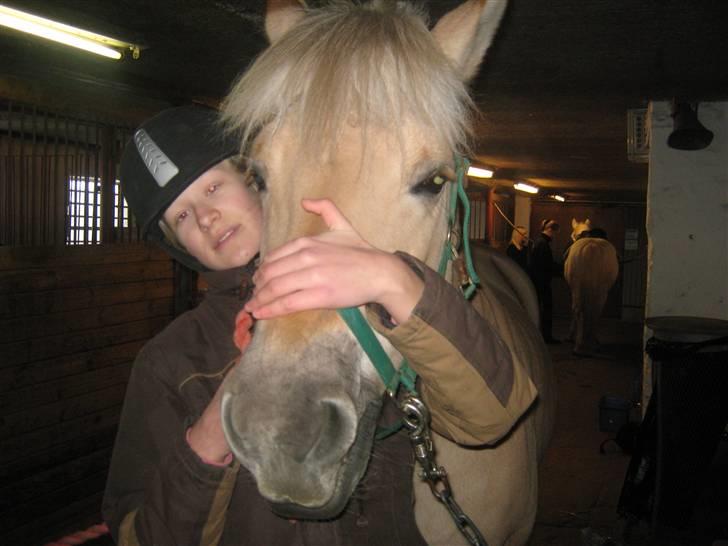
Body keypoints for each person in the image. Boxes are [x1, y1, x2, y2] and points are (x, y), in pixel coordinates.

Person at [102, 105, 537, 546]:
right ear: (178, 246)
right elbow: (137, 534)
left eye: (213, 187)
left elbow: (491, 418)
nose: (205, 218)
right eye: (181, 217)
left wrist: (392, 279)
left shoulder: (361, 302)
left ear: (258, 180)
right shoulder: (167, 361)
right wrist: (212, 433)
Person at [530, 218, 561, 344]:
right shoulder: (542, 244)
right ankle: (546, 337)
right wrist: (561, 270)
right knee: (546, 309)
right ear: (549, 229)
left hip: (538, 280)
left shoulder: (539, 242)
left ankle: (543, 335)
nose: (554, 235)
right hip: (542, 282)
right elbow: (545, 264)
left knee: (542, 308)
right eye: (553, 232)